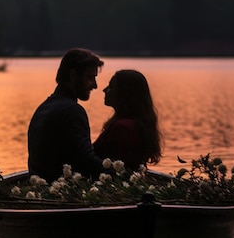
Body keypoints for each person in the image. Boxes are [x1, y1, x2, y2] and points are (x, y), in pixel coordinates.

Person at [28, 48, 104, 182]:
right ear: (73, 75)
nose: (95, 85)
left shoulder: (44, 107)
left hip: (42, 187)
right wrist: (119, 174)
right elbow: (87, 161)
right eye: (90, 78)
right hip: (60, 191)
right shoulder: (72, 111)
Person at [93, 69, 162, 170]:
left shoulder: (124, 128)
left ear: (124, 93)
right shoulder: (131, 124)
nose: (104, 90)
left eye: (111, 87)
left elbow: (115, 169)